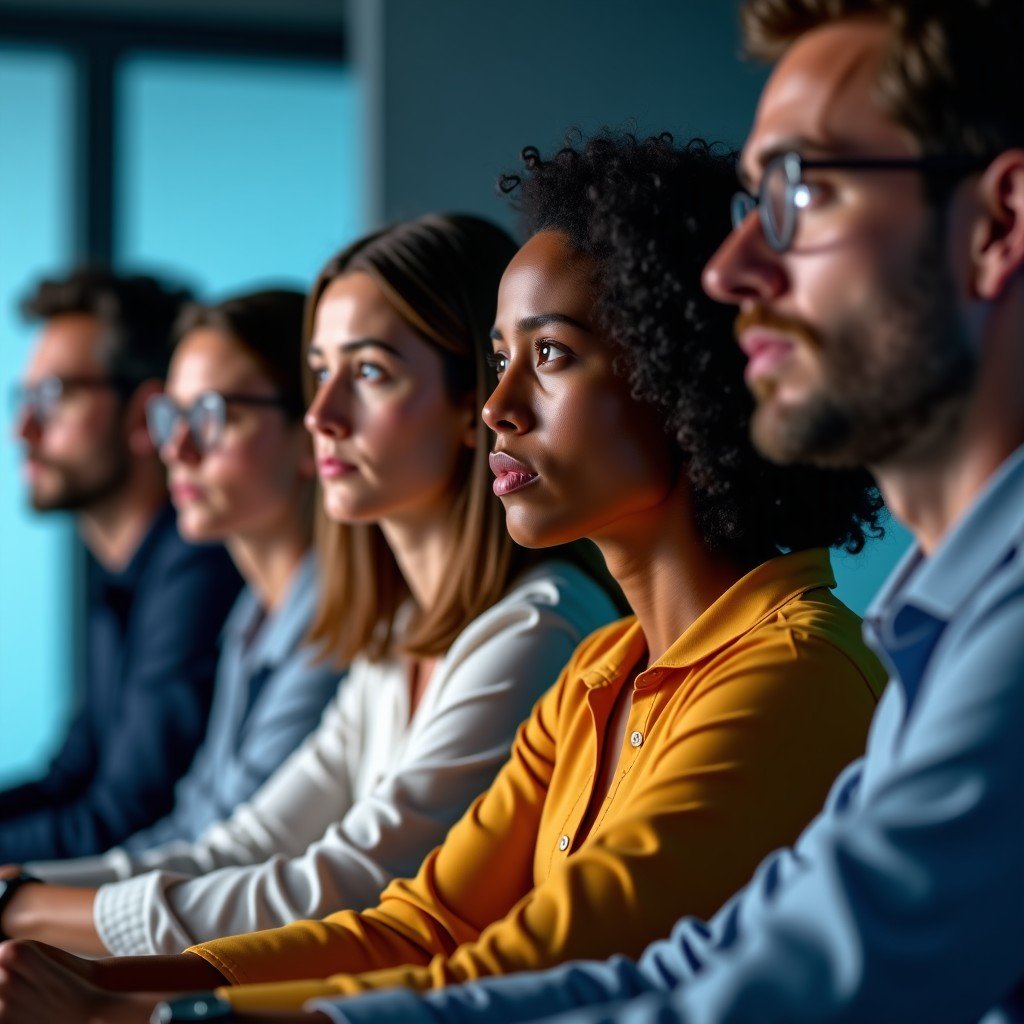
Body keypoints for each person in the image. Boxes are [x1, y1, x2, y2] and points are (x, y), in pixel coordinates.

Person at [2, 138, 895, 1024]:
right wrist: (111, 989)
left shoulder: (792, 676)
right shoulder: (598, 673)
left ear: (682, 375)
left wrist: (135, 1013)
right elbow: (423, 923)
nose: (497, 407)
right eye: (500, 358)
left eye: (548, 357)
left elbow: (538, 960)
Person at [282, 3, 1024, 1023]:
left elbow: (778, 988)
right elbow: (698, 961)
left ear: (998, 223)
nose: (733, 271)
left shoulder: (820, 668)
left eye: (804, 191)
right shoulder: (917, 635)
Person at [0, 213, 619, 977]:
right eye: (319, 373)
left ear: (473, 404)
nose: (321, 417)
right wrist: (27, 892)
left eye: (368, 374)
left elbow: (348, 885)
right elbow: (249, 843)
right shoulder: (399, 635)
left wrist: (30, 907)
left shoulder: (538, 629)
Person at [1, 289, 340, 925]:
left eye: (57, 395)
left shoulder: (207, 573)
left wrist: (30, 905)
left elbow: (234, 849)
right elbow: (184, 817)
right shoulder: (242, 615)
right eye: (176, 417)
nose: (176, 447)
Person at [1, 269, 242, 862]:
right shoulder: (122, 578)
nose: (23, 429)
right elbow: (70, 777)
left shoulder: (199, 567)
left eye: (54, 395)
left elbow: (121, 819)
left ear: (144, 414)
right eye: (24, 398)